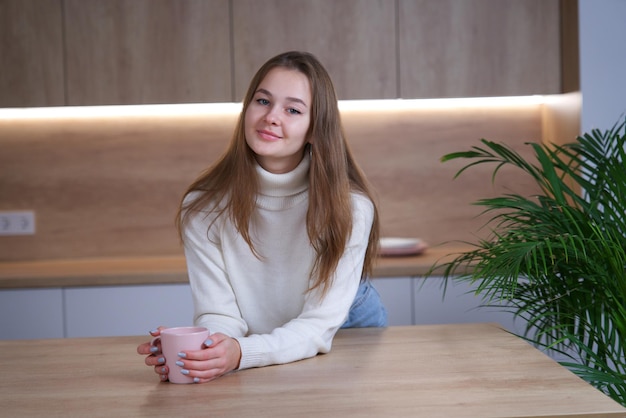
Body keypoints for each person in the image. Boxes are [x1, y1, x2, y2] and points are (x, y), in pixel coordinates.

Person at [137, 51, 387, 383]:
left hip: (344, 330)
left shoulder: (351, 207)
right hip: (263, 343)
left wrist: (240, 353)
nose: (271, 117)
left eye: (293, 110)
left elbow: (317, 326)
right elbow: (220, 314)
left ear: (315, 128)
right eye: (263, 101)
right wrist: (204, 350)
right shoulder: (203, 207)